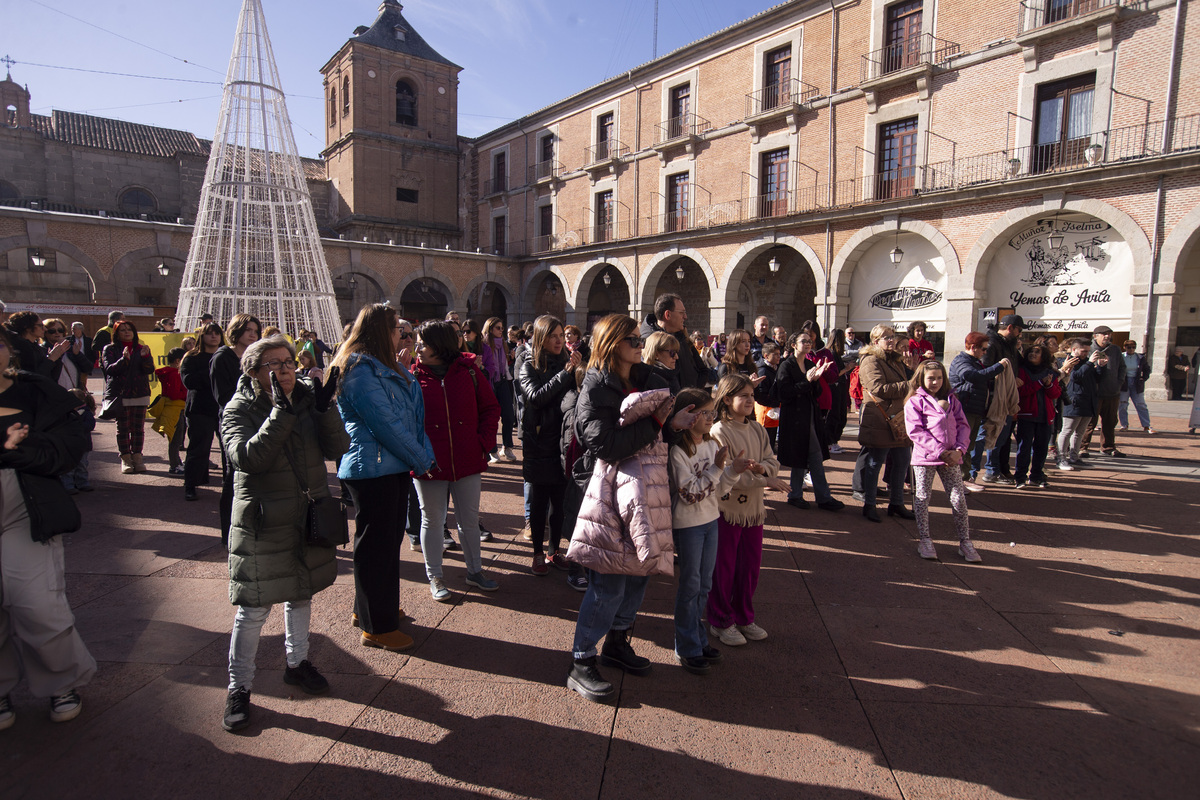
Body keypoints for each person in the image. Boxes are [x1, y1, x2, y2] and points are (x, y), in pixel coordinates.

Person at [565, 315, 697, 702]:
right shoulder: (594, 387)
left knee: (640, 571)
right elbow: (606, 444)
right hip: (608, 492)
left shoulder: (647, 379)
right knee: (608, 580)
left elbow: (654, 433)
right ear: (611, 344)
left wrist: (673, 424)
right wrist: (658, 420)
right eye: (634, 342)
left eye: (640, 341)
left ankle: (618, 643)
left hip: (648, 489)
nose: (641, 347)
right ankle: (581, 659)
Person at [219, 334, 348, 733]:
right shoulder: (239, 407)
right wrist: (280, 411)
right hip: (263, 520)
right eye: (272, 364)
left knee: (300, 591)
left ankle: (297, 663)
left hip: (304, 514)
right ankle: (239, 687)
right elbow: (248, 458)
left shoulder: (309, 399)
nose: (284, 369)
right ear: (253, 372)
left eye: (288, 361)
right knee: (254, 607)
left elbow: (338, 445)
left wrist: (326, 407)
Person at [0, 325, 95, 730]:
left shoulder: (35, 391)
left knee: (36, 602)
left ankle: (62, 681)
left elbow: (70, 447)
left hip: (26, 502)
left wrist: (24, 449)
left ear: (9, 350)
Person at [333, 304, 434, 654]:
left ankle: (371, 610)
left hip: (390, 466)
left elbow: (410, 413)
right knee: (377, 548)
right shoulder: (361, 371)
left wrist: (403, 372)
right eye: (397, 330)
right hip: (372, 468)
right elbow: (387, 425)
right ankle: (378, 625)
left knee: (386, 545)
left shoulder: (381, 367)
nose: (403, 336)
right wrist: (422, 459)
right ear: (380, 332)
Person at [411, 320, 501, 600]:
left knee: (469, 520)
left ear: (439, 346)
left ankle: (475, 571)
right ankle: (435, 576)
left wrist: (483, 443)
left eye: (423, 343)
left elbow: (490, 407)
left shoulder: (469, 371)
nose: (418, 348)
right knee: (432, 520)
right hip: (429, 462)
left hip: (467, 458)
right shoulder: (412, 376)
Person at [707, 373, 789, 647]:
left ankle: (744, 616)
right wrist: (764, 479)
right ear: (727, 399)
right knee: (724, 568)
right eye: (744, 396)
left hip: (754, 510)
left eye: (752, 396)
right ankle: (720, 620)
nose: (750, 400)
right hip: (727, 510)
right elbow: (726, 474)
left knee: (749, 568)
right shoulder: (719, 431)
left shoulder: (757, 429)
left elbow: (772, 460)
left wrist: (763, 469)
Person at [669, 386, 746, 675]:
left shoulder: (712, 446)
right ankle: (686, 645)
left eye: (712, 412)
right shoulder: (678, 451)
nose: (709, 418)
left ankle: (697, 638)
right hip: (689, 525)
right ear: (688, 415)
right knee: (690, 586)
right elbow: (689, 493)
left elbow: (718, 490)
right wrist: (716, 470)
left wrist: (733, 470)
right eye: (704, 413)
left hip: (711, 519)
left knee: (704, 585)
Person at [517, 315, 582, 575]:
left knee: (560, 498)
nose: (559, 341)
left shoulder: (566, 362)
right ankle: (536, 553)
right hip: (539, 440)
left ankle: (554, 551)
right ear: (542, 338)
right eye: (554, 336)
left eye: (561, 336)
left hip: (563, 440)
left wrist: (576, 371)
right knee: (540, 500)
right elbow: (536, 397)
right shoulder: (528, 364)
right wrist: (566, 374)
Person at [903, 360, 979, 561]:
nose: (935, 382)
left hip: (952, 458)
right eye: (930, 378)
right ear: (922, 379)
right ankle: (925, 540)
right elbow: (915, 431)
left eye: (938, 378)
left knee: (958, 499)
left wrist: (959, 451)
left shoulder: (953, 399)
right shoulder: (915, 401)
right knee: (922, 498)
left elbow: (964, 426)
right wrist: (940, 452)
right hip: (925, 458)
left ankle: (965, 542)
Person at [853, 325, 915, 523]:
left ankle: (896, 503)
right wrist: (910, 385)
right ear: (875, 341)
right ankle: (869, 504)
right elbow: (878, 388)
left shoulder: (894, 360)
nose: (891, 340)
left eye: (892, 336)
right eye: (885, 337)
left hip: (897, 418)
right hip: (880, 418)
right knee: (875, 462)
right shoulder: (870, 360)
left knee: (902, 460)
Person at [776, 333, 843, 512]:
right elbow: (784, 393)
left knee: (812, 456)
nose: (807, 344)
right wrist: (806, 381)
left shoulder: (809, 364)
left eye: (809, 341)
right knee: (810, 456)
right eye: (803, 341)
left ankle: (802, 495)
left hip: (810, 416)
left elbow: (817, 392)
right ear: (793, 344)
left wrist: (815, 380)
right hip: (794, 419)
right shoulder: (786, 365)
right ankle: (816, 496)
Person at [211, 314, 261, 545]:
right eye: (248, 330)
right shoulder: (223, 356)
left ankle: (251, 527)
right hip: (234, 422)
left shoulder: (256, 356)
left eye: (255, 330)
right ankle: (228, 533)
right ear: (236, 331)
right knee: (233, 477)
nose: (253, 334)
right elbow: (222, 396)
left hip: (257, 420)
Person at [950, 332, 1011, 487]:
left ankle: (964, 478)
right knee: (963, 445)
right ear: (973, 347)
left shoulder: (975, 361)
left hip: (975, 409)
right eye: (983, 349)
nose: (985, 353)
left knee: (969, 445)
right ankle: (961, 480)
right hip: (965, 409)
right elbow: (972, 376)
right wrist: (999, 367)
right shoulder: (962, 360)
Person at [974, 314, 1025, 484]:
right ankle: (981, 473)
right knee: (989, 434)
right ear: (1010, 328)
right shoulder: (994, 342)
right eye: (1019, 330)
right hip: (995, 397)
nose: (1020, 334)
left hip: (1005, 395)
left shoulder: (1008, 344)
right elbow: (985, 368)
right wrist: (1007, 377)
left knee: (1001, 436)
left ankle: (994, 470)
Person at [101, 320, 155, 474]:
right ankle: (126, 459)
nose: (127, 332)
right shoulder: (110, 349)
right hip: (121, 394)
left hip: (140, 393)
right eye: (123, 330)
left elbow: (150, 370)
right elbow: (110, 369)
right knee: (123, 428)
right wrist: (124, 360)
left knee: (138, 428)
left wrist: (145, 358)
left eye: (129, 329)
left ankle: (137, 458)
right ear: (116, 333)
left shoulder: (141, 348)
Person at [181, 322, 224, 501]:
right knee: (198, 448)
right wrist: (211, 371)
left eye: (217, 333)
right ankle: (190, 485)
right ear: (202, 336)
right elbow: (189, 381)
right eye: (209, 333)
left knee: (229, 448)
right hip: (200, 408)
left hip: (223, 408)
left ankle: (231, 483)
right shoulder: (192, 357)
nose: (213, 336)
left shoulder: (227, 356)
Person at [1014, 344, 1061, 489]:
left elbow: (1055, 394)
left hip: (1045, 415)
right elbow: (1021, 392)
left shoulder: (1050, 372)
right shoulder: (1022, 371)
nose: (1033, 354)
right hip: (1026, 415)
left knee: (1041, 448)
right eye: (1031, 351)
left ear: (1043, 356)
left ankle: (1036, 476)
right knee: (1024, 448)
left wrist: (1048, 385)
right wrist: (1040, 383)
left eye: (1037, 352)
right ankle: (1020, 477)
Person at [1057, 338, 1106, 470]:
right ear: (1074, 350)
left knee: (1080, 432)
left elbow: (1097, 379)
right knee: (1067, 430)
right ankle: (1061, 458)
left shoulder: (1086, 362)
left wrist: (1100, 366)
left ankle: (1074, 457)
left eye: (1088, 351)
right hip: (1074, 401)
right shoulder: (1069, 361)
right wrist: (1090, 363)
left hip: (1088, 401)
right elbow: (1076, 377)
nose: (1086, 354)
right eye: (1083, 351)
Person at [1080, 326, 1126, 458]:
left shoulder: (1115, 350)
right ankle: (1083, 447)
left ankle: (1108, 447)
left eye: (1109, 334)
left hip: (1112, 392)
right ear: (1095, 336)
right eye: (1103, 334)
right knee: (1089, 423)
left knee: (1110, 422)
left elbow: (1123, 367)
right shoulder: (1089, 349)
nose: (1107, 336)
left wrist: (1119, 382)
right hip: (1094, 393)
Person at [479, 316, 517, 463]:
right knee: (492, 418)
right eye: (498, 328)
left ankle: (507, 447)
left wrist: (511, 358)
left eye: (502, 328)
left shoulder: (504, 344)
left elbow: (505, 364)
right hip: (490, 382)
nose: (501, 331)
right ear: (490, 329)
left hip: (502, 381)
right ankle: (492, 450)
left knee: (508, 415)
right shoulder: (483, 346)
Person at [652, 294, 707, 389]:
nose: (685, 317)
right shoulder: (652, 341)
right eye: (682, 313)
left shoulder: (682, 338)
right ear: (668, 315)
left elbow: (702, 369)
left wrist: (695, 390)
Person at [150, 347, 188, 474]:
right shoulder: (175, 375)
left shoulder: (169, 373)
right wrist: (186, 394)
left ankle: (176, 462)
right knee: (175, 439)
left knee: (175, 438)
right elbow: (175, 393)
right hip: (175, 409)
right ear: (178, 361)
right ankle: (174, 465)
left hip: (174, 408)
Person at [41, 318, 91, 394]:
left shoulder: (70, 349)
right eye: (52, 331)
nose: (57, 333)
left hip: (73, 394)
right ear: (45, 333)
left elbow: (88, 368)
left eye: (60, 330)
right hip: (54, 395)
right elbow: (46, 374)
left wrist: (78, 355)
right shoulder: (42, 350)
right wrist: (55, 356)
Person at [61, 388, 96, 494]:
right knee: (69, 466)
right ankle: (68, 485)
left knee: (82, 465)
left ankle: (82, 483)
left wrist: (76, 427)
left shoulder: (86, 413)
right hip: (70, 444)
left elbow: (90, 426)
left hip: (83, 444)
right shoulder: (66, 412)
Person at [1118, 340, 1155, 434]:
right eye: (1129, 347)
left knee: (1141, 404)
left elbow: (1147, 369)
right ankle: (1124, 425)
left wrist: (1143, 379)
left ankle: (1146, 425)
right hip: (1124, 383)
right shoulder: (1121, 357)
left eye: (1133, 347)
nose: (1131, 349)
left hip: (1136, 383)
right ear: (1124, 347)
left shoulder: (1140, 357)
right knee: (1122, 404)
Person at [826, 328, 853, 453]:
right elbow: (834, 374)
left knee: (841, 415)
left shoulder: (836, 354)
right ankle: (830, 442)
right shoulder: (831, 354)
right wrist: (847, 368)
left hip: (841, 387)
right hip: (834, 388)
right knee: (835, 415)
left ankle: (834, 441)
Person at [4, 312, 52, 378]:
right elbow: (33, 376)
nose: (45, 329)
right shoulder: (19, 348)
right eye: (40, 326)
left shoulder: (38, 348)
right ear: (27, 327)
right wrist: (51, 360)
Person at [753, 342, 782, 450]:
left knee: (771, 438)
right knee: (765, 441)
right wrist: (775, 402)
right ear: (766, 356)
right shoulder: (763, 370)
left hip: (773, 410)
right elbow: (761, 395)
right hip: (765, 411)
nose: (779, 357)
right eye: (775, 354)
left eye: (779, 354)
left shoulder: (775, 368)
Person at [643, 331, 682, 395]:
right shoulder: (651, 379)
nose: (676, 357)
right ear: (656, 354)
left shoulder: (670, 374)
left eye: (677, 352)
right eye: (672, 353)